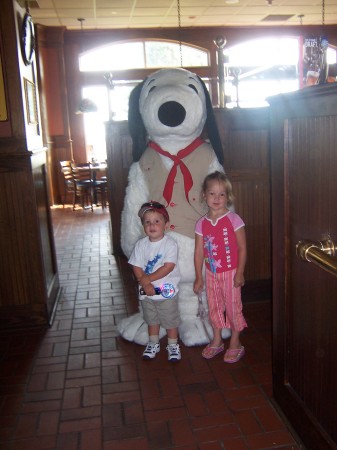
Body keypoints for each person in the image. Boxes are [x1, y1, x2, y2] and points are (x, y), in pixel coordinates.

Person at [193, 171, 247, 363]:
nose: (217, 198)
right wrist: (199, 277)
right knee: (214, 306)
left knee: (233, 308)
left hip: (231, 272)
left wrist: (239, 272)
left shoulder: (234, 220)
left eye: (222, 194)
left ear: (228, 197)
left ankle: (235, 341)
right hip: (211, 273)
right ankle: (217, 339)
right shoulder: (201, 223)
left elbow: (242, 248)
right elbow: (199, 252)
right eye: (212, 193)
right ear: (204, 195)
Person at [129, 201, 182, 361]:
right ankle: (153, 343)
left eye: (156, 221)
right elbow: (136, 265)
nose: (152, 225)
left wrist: (148, 279)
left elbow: (168, 267)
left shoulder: (170, 244)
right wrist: (145, 283)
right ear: (143, 226)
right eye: (147, 222)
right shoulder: (140, 245)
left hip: (166, 292)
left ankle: (173, 345)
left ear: (166, 224)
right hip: (147, 293)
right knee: (151, 320)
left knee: (170, 321)